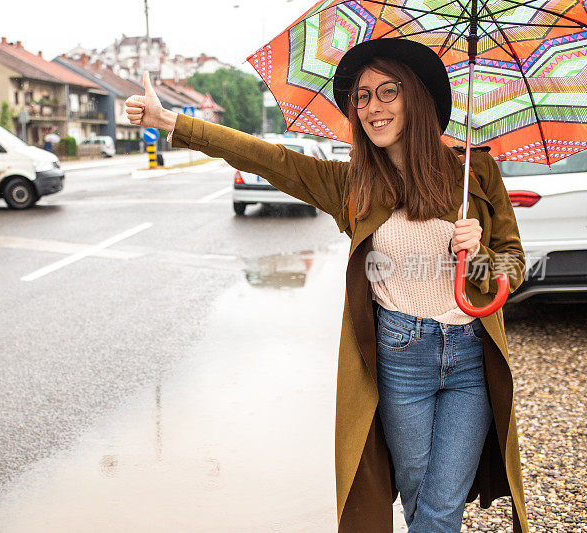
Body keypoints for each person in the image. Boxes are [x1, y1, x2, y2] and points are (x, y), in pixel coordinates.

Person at [125, 39, 528, 533]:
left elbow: (512, 266)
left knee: (441, 506)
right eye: (362, 97)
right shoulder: (351, 184)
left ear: (417, 98)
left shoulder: (475, 172)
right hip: (400, 361)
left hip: (469, 360)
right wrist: (172, 124)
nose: (372, 107)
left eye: (387, 91)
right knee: (420, 490)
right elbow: (267, 158)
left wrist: (480, 252)